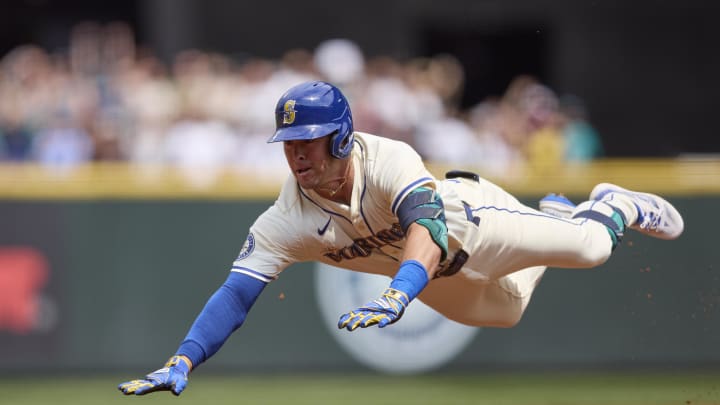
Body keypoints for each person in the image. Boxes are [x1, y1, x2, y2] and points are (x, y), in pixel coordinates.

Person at [118, 81, 684, 396]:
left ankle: (613, 204)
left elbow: (428, 230)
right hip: (432, 281)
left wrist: (398, 293)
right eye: (288, 142)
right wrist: (186, 358)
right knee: (509, 311)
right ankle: (557, 214)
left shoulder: (387, 157)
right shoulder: (284, 219)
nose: (296, 153)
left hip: (472, 222)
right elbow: (236, 293)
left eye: (308, 140)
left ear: (340, 137)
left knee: (592, 250)